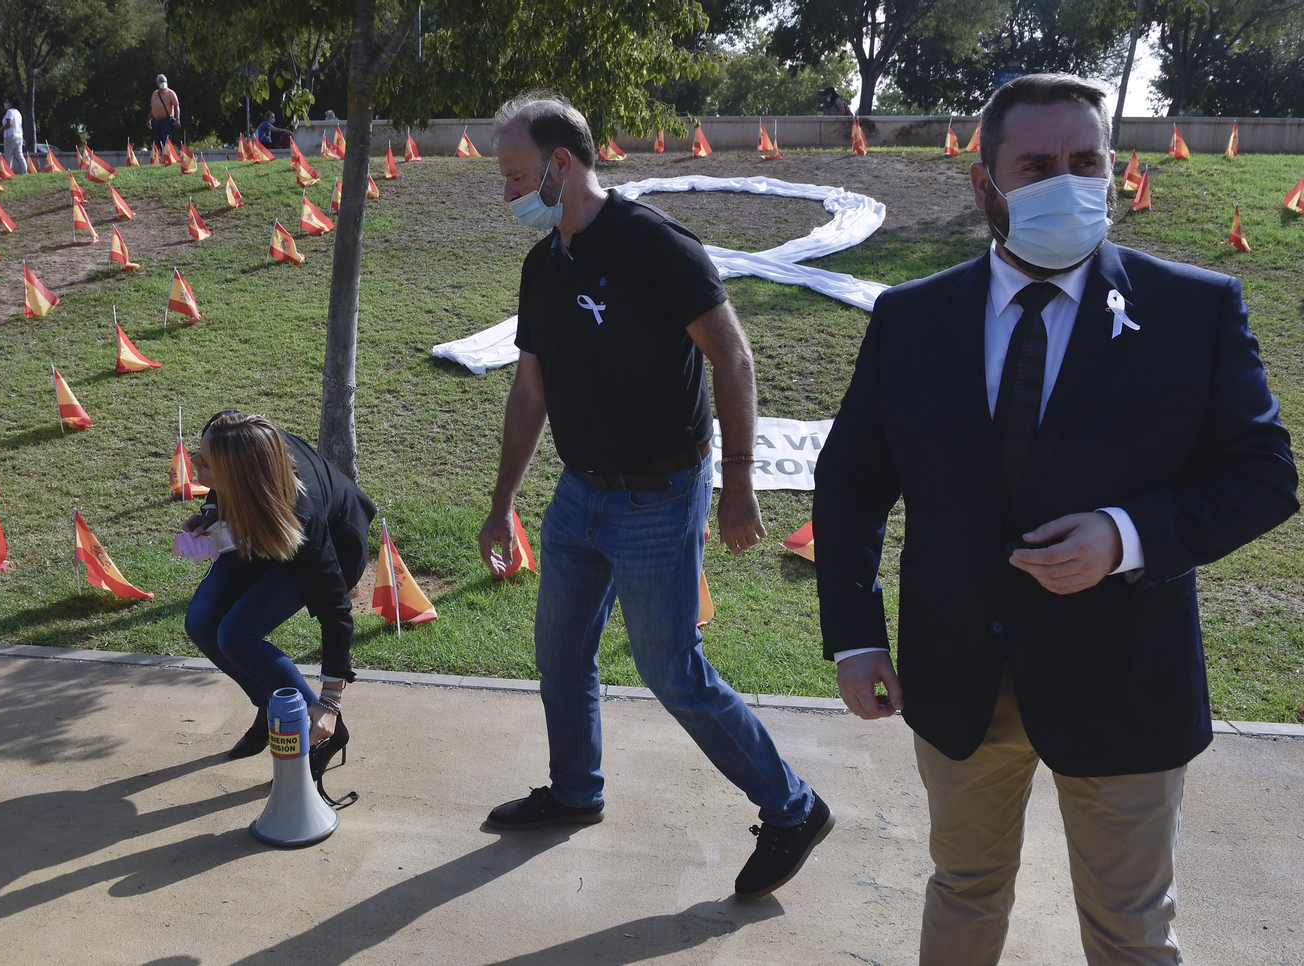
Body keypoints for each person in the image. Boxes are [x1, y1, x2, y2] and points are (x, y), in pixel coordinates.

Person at [814, 73, 1297, 965]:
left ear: (1114, 171)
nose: (1066, 183)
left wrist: (1126, 535)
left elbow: (1265, 476)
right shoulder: (911, 320)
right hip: (960, 677)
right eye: (1037, 166)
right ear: (984, 184)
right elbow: (850, 481)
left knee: (1130, 929)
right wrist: (854, 637)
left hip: (1125, 681)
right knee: (963, 892)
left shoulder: (1194, 310)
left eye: (1086, 162)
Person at [477, 92, 833, 900]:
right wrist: (501, 504)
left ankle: (792, 807)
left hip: (660, 496)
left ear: (561, 165)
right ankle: (575, 789)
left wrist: (737, 483)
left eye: (517, 177)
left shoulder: (654, 244)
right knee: (559, 652)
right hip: (579, 496)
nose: (506, 194)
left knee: (672, 671)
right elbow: (529, 393)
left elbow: (732, 357)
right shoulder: (544, 265)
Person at [182, 412, 377, 785]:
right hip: (261, 513)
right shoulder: (229, 432)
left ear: (240, 478)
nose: (193, 462)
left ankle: (326, 730)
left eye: (204, 463)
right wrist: (212, 513)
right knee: (202, 622)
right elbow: (223, 484)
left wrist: (330, 704)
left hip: (328, 538)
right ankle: (272, 704)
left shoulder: (306, 518)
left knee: (236, 635)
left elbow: (336, 613)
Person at [148, 74, 180, 147]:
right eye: (161, 81)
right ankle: (161, 153)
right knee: (158, 141)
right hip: (157, 120)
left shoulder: (170, 93)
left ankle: (167, 154)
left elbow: (176, 106)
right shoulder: (155, 94)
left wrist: (177, 119)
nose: (163, 83)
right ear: (157, 83)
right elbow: (153, 107)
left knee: (166, 141)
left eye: (164, 81)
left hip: (167, 120)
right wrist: (149, 119)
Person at [0, 95, 27, 174]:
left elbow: (9, 123)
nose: (5, 103)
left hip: (11, 136)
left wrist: (2, 128)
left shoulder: (9, 112)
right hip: (19, 136)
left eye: (6, 102)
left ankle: (8, 172)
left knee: (8, 155)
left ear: (11, 104)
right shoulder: (18, 113)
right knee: (19, 155)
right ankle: (25, 171)